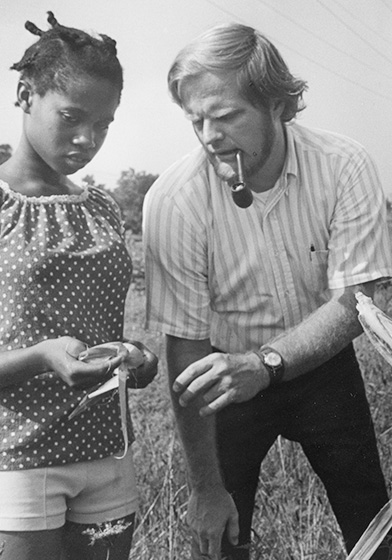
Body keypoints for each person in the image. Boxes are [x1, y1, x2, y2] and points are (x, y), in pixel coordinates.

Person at [142, 23, 392, 560]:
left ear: (278, 105)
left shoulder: (342, 164)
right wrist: (204, 488)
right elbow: (186, 350)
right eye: (197, 120)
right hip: (223, 374)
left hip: (322, 363)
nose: (211, 136)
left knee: (374, 529)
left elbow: (357, 301)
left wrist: (265, 364)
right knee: (220, 537)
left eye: (228, 115)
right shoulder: (173, 201)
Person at [0, 13, 158, 559]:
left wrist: (135, 358)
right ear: (25, 94)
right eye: (71, 116)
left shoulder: (103, 210)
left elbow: (108, 331)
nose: (88, 138)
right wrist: (42, 357)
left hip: (107, 455)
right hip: (17, 458)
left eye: (105, 123)